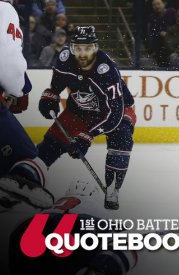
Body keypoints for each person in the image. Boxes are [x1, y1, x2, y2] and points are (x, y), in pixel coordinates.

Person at [36, 26, 136, 210]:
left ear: (95, 48)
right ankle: (29, 180)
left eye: (87, 48)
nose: (82, 54)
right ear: (72, 48)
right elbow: (56, 85)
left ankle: (113, 188)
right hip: (80, 108)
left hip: (117, 111)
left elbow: (114, 113)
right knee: (51, 144)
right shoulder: (65, 58)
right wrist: (50, 96)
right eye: (78, 49)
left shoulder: (107, 70)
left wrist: (87, 135)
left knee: (121, 138)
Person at [0, 0, 54, 209]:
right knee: (30, 163)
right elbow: (5, 59)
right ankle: (23, 176)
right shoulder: (0, 8)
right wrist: (19, 89)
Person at [8, 179, 137, 274]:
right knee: (128, 241)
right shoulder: (94, 205)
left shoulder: (57, 202)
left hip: (29, 226)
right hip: (77, 226)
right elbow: (119, 231)